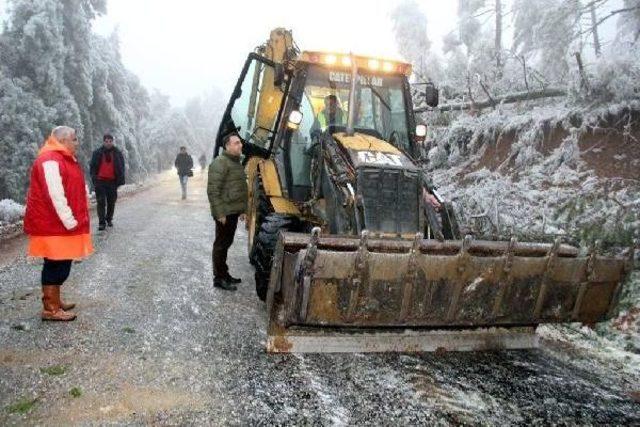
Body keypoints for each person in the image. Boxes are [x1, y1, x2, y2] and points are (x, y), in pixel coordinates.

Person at [24, 126, 94, 321]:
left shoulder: (62, 158)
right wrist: (70, 221)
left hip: (60, 225)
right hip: (54, 225)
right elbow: (55, 195)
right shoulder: (50, 161)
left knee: (61, 263)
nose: (77, 142)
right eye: (74, 139)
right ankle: (50, 308)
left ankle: (55, 300)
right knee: (56, 265)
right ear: (63, 140)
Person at [207, 133, 247, 291]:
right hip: (224, 212)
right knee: (221, 245)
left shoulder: (235, 163)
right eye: (236, 143)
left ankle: (224, 273)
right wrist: (219, 213)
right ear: (227, 146)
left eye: (240, 143)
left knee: (226, 243)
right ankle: (219, 278)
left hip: (233, 211)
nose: (240, 145)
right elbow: (213, 191)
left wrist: (242, 210)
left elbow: (239, 188)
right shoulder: (220, 163)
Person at [89, 134, 125, 231]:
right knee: (101, 202)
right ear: (103, 142)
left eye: (110, 141)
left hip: (112, 182)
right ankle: (102, 223)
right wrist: (94, 178)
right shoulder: (97, 153)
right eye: (106, 141)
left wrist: (120, 179)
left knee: (111, 202)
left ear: (112, 142)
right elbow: (92, 166)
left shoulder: (117, 153)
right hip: (100, 181)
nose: (108, 143)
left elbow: (122, 167)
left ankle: (109, 219)